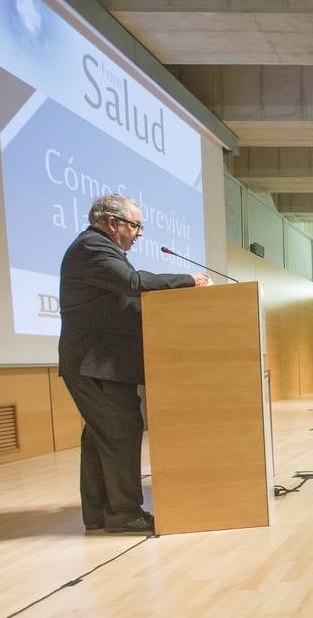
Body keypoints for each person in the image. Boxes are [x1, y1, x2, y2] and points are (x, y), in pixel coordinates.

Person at [58, 194, 208, 535]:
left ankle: (99, 512)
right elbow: (133, 284)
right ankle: (124, 512)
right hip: (93, 363)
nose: (139, 233)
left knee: (101, 437)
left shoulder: (99, 248)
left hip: (99, 364)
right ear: (113, 223)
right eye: (136, 225)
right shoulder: (92, 248)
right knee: (121, 431)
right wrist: (188, 280)